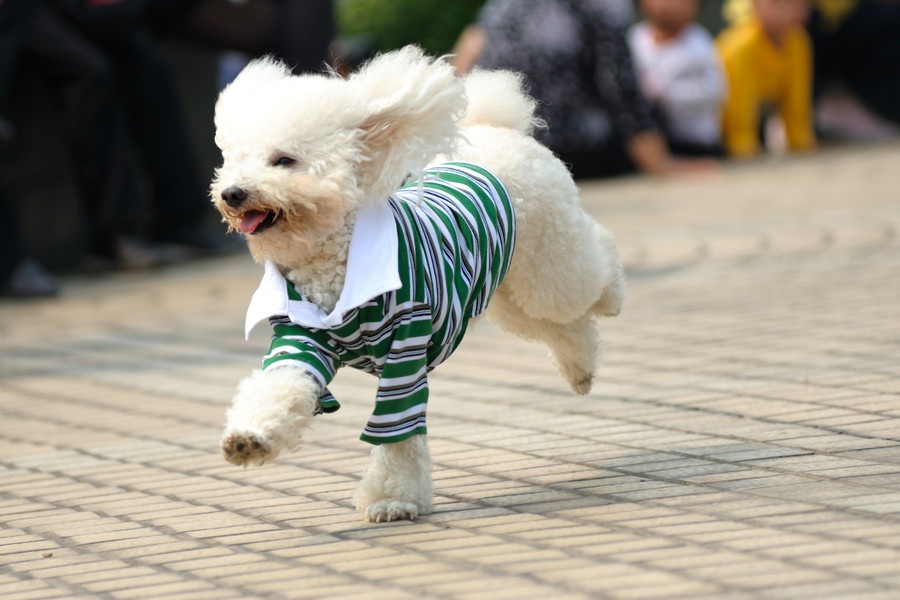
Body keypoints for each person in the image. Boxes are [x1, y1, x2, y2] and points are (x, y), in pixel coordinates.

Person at [453, 0, 716, 179]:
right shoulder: (603, 5)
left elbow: (470, 44)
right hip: (565, 147)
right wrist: (661, 165)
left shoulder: (503, 5)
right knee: (659, 113)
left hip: (497, 144)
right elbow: (619, 86)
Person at [716, 0, 816, 157]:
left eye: (797, 4)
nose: (787, 13)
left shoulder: (799, 41)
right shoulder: (743, 47)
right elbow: (738, 105)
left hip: (760, 119)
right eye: (778, 4)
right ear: (756, 6)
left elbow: (797, 100)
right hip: (720, 130)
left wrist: (800, 141)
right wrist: (743, 146)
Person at [629, 0, 727, 156]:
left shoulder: (699, 44)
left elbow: (715, 91)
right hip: (649, 141)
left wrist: (667, 93)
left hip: (693, 142)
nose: (669, 5)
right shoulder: (635, 39)